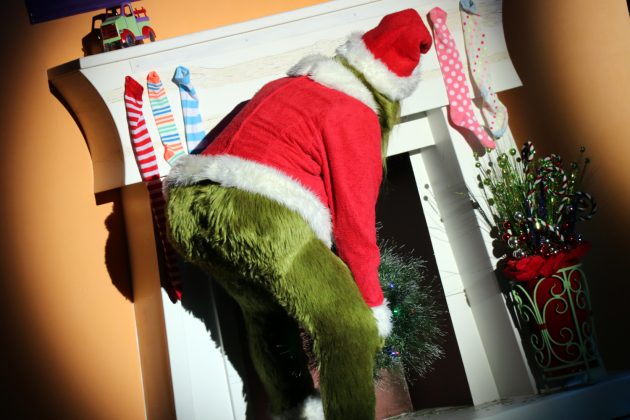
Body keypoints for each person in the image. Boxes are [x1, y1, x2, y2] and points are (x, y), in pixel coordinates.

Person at [164, 8, 432, 419]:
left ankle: (295, 412)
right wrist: (372, 304)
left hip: (187, 212)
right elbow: (355, 224)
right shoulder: (355, 115)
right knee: (351, 325)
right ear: (391, 92)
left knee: (267, 312)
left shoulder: (286, 85)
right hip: (254, 213)